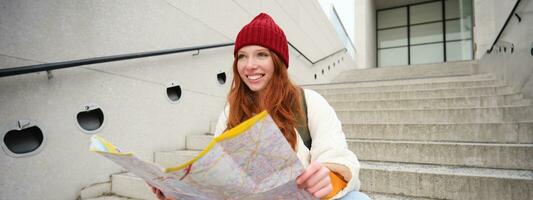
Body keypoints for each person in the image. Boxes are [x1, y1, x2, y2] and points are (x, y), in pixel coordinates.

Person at [150, 13, 370, 200]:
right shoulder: (230, 111)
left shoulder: (309, 101)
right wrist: (179, 193)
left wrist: (329, 176)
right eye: (242, 57)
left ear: (278, 61)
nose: (250, 65)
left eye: (261, 55)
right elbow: (218, 178)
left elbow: (339, 156)